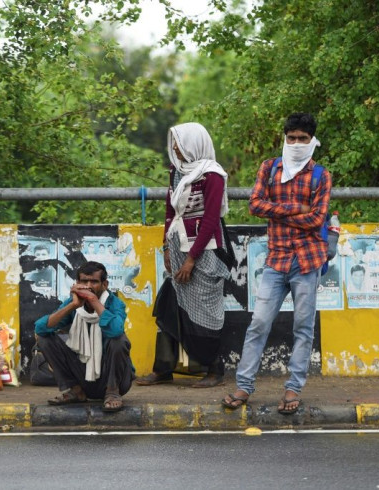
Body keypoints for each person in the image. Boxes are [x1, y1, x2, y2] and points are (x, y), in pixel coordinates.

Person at [222, 113, 331, 415]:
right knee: (259, 323)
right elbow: (255, 205)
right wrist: (296, 208)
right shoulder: (269, 168)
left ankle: (293, 388)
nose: (296, 143)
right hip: (276, 260)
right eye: (291, 137)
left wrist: (278, 212)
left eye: (302, 138)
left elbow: (317, 219)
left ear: (312, 141)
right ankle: (244, 385)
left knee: (303, 327)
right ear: (284, 137)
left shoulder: (321, 175)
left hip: (307, 261)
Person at [136, 122, 230, 389]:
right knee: (171, 305)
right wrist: (166, 247)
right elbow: (170, 212)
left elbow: (211, 219)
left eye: (178, 141)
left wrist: (191, 260)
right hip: (178, 247)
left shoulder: (212, 175)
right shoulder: (176, 171)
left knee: (206, 312)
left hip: (206, 251)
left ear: (193, 143)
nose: (175, 147)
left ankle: (214, 371)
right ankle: (163, 368)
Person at [34, 261, 134, 412]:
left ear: (104, 284)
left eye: (94, 282)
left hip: (114, 379)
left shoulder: (115, 303)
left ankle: (112, 393)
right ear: (77, 283)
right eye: (84, 281)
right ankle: (75, 391)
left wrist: (93, 301)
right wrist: (73, 306)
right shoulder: (74, 304)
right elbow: (41, 328)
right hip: (82, 376)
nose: (88, 286)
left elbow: (115, 331)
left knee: (119, 340)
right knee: (44, 339)